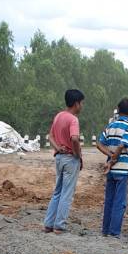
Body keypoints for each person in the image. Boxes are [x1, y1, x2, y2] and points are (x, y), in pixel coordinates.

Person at [43, 87, 85, 233]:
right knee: (67, 193)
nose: (82, 106)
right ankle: (59, 225)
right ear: (76, 103)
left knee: (58, 191)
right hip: (69, 158)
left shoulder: (58, 116)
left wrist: (57, 148)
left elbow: (50, 136)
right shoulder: (73, 119)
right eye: (81, 103)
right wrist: (76, 154)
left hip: (59, 157)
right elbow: (74, 138)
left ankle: (49, 223)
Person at [96, 97, 128, 237]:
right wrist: (114, 157)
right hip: (122, 168)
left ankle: (105, 230)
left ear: (118, 110)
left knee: (109, 200)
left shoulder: (110, 126)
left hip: (110, 169)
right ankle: (114, 232)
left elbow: (99, 144)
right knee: (119, 201)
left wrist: (109, 155)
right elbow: (122, 145)